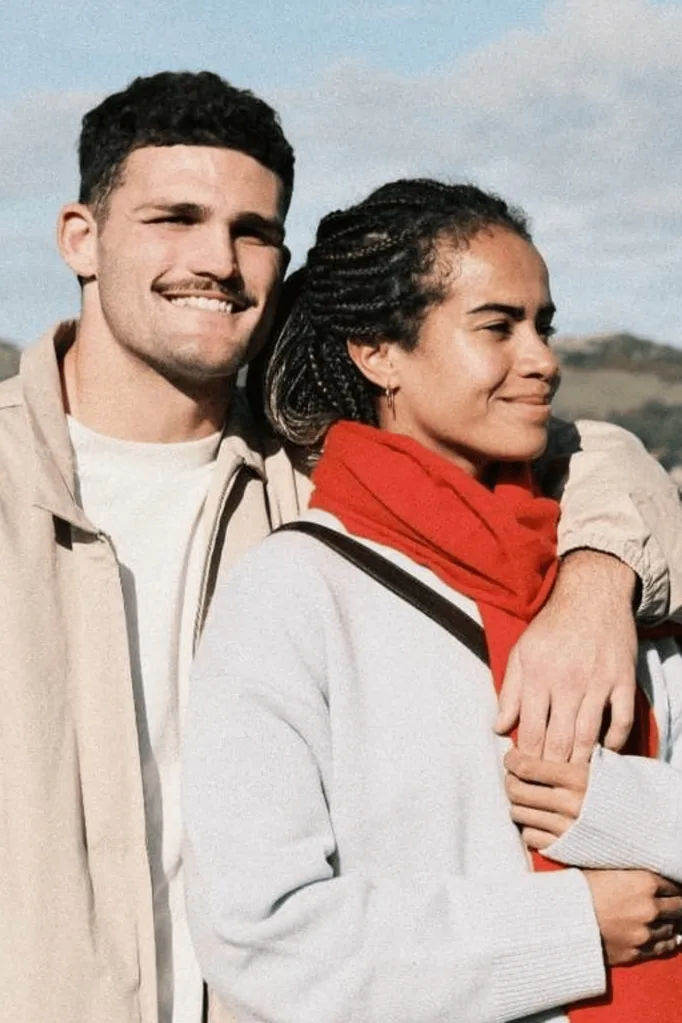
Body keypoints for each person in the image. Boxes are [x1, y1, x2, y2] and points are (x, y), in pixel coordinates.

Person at [0, 69, 680, 1023]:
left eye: (253, 231)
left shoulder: (318, 474)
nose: (218, 260)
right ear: (80, 235)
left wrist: (598, 580)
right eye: (174, 217)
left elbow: (595, 450)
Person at [184, 179, 682, 1023]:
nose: (544, 360)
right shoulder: (294, 596)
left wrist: (635, 812)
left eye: (544, 324)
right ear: (379, 352)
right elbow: (263, 935)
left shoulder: (612, 569)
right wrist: (571, 926)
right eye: (497, 326)